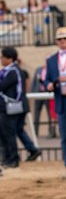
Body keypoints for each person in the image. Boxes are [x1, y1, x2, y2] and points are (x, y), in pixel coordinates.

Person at [0, 47, 40, 168]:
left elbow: (0, 86)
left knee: (9, 134)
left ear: (9, 58)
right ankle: (17, 155)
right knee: (12, 132)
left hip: (10, 108)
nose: (1, 59)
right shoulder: (10, 70)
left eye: (2, 57)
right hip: (8, 107)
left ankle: (13, 159)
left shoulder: (13, 71)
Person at [45, 27, 66, 178]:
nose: (62, 42)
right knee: (64, 137)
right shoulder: (51, 60)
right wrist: (50, 84)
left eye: (65, 39)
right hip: (61, 100)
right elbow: (47, 80)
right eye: (60, 39)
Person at [32, 64, 55, 138]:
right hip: (39, 93)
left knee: (50, 114)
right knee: (36, 113)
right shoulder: (39, 69)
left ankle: (51, 132)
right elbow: (34, 81)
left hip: (47, 93)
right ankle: (35, 132)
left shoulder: (52, 70)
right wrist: (33, 92)